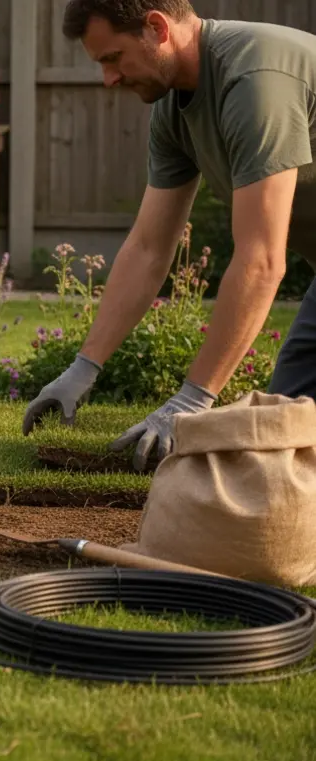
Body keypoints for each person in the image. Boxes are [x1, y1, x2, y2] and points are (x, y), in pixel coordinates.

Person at [23, 0, 316, 471]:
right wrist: (82, 369)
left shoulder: (255, 81)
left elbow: (262, 261)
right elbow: (147, 249)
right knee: (281, 444)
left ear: (157, 28)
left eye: (113, 58)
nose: (109, 80)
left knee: (285, 443)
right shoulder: (175, 109)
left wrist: (191, 401)